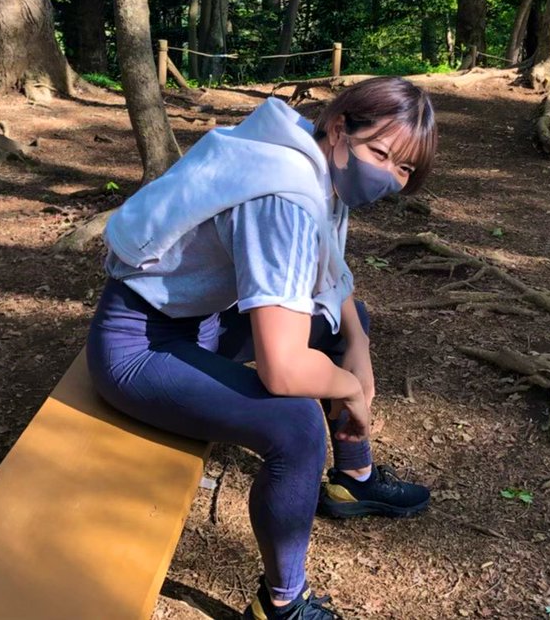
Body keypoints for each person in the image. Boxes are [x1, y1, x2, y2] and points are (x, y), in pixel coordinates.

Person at [88, 76, 438, 620]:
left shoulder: (312, 158)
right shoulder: (286, 197)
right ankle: (281, 604)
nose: (389, 178)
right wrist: (351, 390)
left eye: (404, 169)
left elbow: (330, 277)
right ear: (341, 127)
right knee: (295, 424)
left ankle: (354, 481)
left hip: (196, 321)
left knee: (345, 324)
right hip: (138, 347)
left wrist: (359, 345)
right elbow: (282, 371)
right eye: (382, 154)